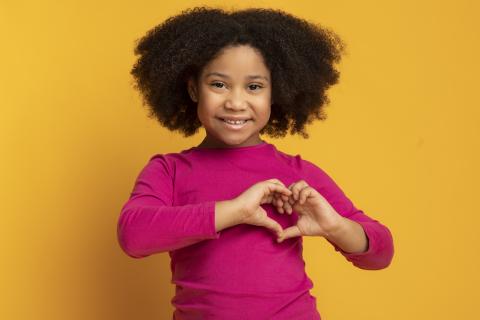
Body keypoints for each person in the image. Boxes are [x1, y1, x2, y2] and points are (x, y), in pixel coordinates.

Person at [117, 6, 394, 320]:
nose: (236, 103)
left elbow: (381, 253)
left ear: (276, 92)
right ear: (194, 88)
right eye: (219, 85)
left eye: (254, 87)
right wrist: (236, 210)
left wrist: (336, 226)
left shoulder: (297, 174)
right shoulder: (169, 171)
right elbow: (134, 235)